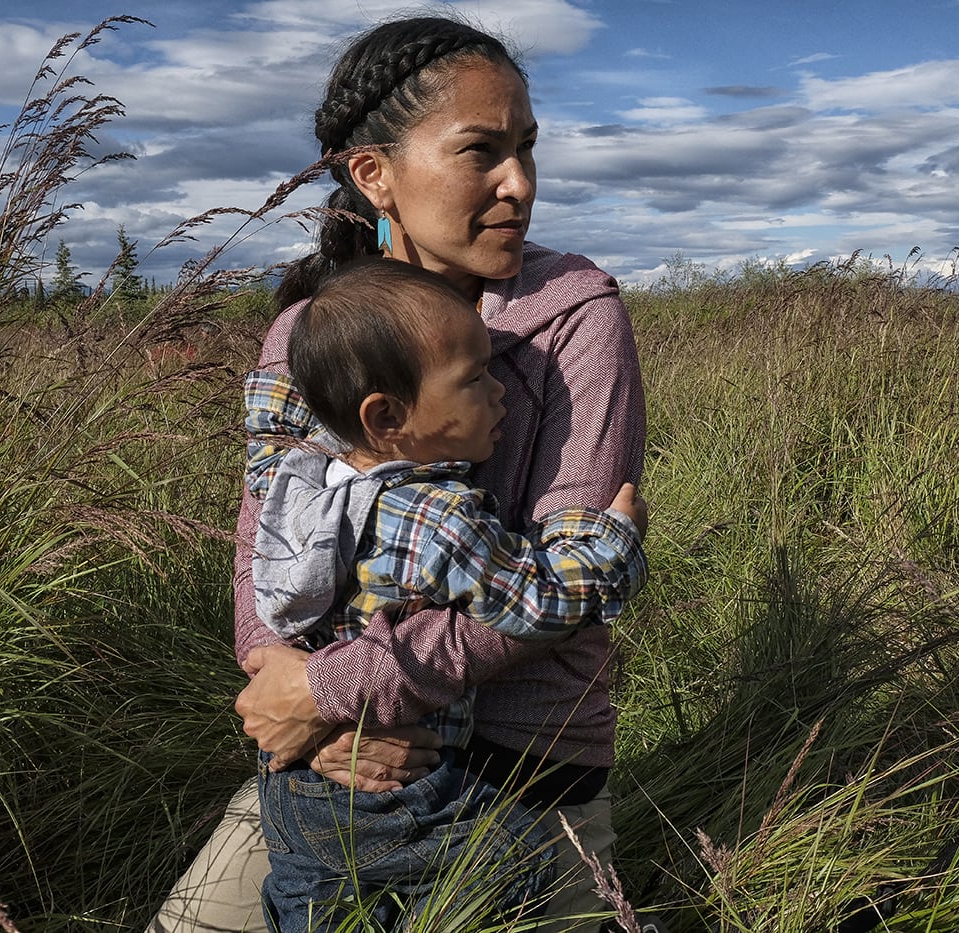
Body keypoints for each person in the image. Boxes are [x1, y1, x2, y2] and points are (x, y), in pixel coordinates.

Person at [147, 13, 647, 933]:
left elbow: (551, 595)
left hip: (519, 773)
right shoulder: (304, 331)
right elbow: (267, 539)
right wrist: (287, 685)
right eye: (481, 151)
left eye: (528, 148)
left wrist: (335, 689)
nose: (520, 184)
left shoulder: (576, 315)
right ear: (372, 172)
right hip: (320, 773)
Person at [250, 257, 649, 931]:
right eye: (476, 378)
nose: (501, 392)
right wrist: (612, 548)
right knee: (515, 859)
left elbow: (259, 592)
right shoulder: (438, 515)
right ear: (387, 414)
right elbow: (533, 603)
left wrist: (319, 692)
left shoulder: (304, 481)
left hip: (289, 789)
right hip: (401, 789)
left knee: (313, 894)